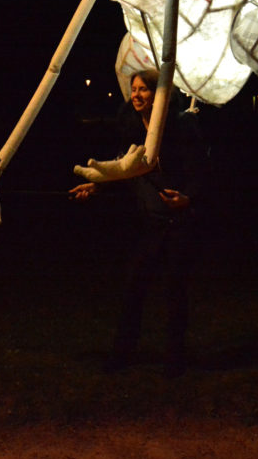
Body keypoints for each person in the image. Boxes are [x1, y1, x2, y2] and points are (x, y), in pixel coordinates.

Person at [70, 69, 205, 378]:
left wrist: (188, 198)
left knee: (174, 292)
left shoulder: (181, 125)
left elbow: (201, 171)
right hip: (152, 224)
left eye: (144, 89)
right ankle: (122, 354)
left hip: (179, 223)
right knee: (133, 289)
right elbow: (125, 169)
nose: (136, 95)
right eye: (134, 89)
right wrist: (97, 186)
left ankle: (174, 360)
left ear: (160, 95)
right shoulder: (131, 126)